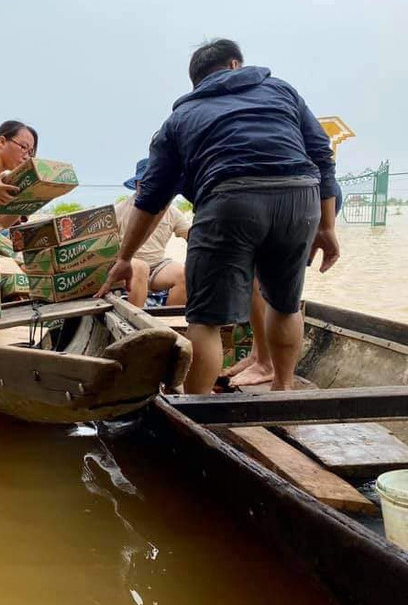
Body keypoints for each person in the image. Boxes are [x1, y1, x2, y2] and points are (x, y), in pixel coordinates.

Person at [96, 38, 340, 394]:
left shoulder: (180, 118)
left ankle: (196, 408)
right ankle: (284, 391)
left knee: (206, 320)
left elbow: (151, 198)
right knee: (286, 305)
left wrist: (124, 258)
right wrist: (327, 226)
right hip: (300, 198)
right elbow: (321, 154)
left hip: (229, 199)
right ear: (235, 65)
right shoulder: (281, 91)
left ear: (197, 82)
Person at [224, 182, 344, 386]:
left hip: (303, 197)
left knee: (279, 286)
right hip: (301, 195)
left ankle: (267, 365)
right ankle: (259, 356)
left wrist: (326, 226)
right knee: (257, 277)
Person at [116, 159, 191, 306]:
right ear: (137, 184)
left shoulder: (172, 212)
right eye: (144, 183)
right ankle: (136, 323)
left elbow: (191, 235)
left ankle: (170, 323)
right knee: (140, 268)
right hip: (130, 265)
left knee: (183, 275)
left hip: (158, 266)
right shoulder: (120, 209)